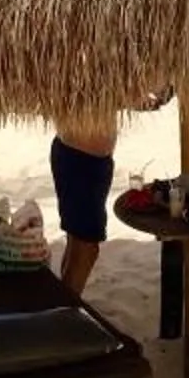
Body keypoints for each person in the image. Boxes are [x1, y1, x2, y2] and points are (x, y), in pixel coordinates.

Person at [51, 115, 118, 297]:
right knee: (86, 247)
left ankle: (64, 300)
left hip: (84, 159)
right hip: (80, 160)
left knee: (78, 243)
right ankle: (66, 306)